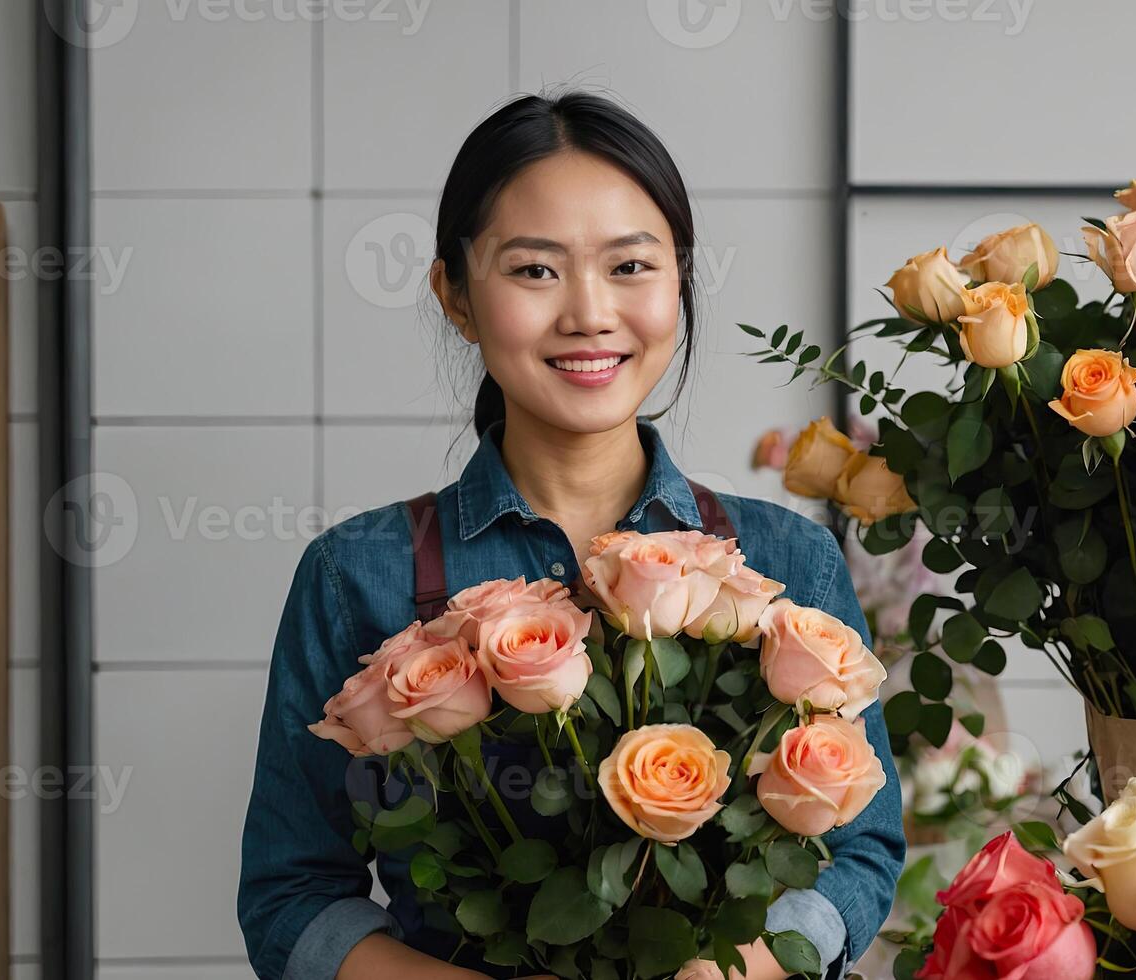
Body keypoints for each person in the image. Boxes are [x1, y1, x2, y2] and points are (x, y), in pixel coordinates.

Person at [237, 90, 904, 980]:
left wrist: (732, 973)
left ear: (679, 281)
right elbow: (292, 894)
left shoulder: (786, 563)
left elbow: (861, 851)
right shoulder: (354, 575)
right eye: (535, 271)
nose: (589, 313)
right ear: (456, 295)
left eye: (630, 266)